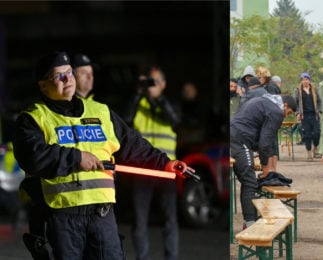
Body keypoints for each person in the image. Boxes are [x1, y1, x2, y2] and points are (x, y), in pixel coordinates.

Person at [12, 51, 192, 260]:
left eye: (69, 72)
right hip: (61, 218)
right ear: (43, 85)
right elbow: (34, 157)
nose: (67, 79)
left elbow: (134, 145)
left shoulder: (101, 112)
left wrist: (166, 164)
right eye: (58, 76)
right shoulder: (33, 119)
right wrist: (77, 158)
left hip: (102, 217)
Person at [124, 66, 181, 260]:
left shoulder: (169, 103)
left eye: (154, 81)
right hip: (141, 170)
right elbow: (125, 121)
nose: (151, 85)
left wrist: (159, 99)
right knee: (139, 221)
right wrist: (137, 93)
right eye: (148, 81)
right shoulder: (138, 103)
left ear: (163, 85)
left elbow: (175, 120)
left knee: (170, 220)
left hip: (166, 170)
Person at [230, 93, 297, 228]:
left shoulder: (263, 99)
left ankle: (250, 221)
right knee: (250, 182)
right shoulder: (276, 111)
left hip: (235, 135)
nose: (286, 115)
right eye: (288, 112)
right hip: (239, 140)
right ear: (285, 105)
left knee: (249, 179)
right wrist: (265, 166)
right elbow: (265, 143)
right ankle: (250, 224)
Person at [294, 72, 322, 161]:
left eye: (306, 79)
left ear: (309, 80)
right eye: (303, 80)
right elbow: (295, 103)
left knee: (317, 133)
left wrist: (320, 110)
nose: (305, 81)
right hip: (304, 115)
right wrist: (297, 113)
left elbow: (319, 101)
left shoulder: (314, 89)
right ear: (301, 81)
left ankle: (315, 148)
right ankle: (309, 153)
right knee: (307, 135)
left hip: (314, 114)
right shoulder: (298, 90)